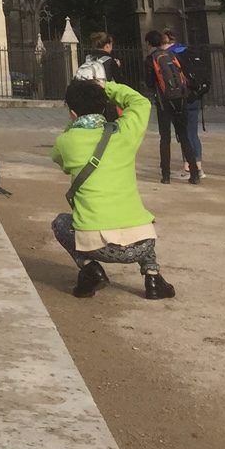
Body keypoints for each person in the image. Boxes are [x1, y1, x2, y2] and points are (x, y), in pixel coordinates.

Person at [50, 75, 174, 301]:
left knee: (60, 223)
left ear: (73, 113)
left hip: (97, 245)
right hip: (142, 244)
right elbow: (141, 103)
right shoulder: (125, 133)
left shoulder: (66, 142)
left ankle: (90, 269)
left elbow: (59, 159)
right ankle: (153, 277)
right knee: (139, 217)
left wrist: (74, 122)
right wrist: (107, 86)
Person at [144, 29, 198, 183]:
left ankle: (166, 176)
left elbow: (149, 83)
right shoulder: (173, 55)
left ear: (149, 43)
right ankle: (194, 173)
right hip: (180, 99)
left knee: (165, 138)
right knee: (184, 136)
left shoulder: (150, 59)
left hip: (163, 102)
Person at [162, 28, 207, 180]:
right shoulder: (186, 50)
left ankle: (188, 167)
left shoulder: (170, 55)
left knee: (183, 133)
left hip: (182, 97)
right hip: (196, 96)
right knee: (192, 133)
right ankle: (199, 167)